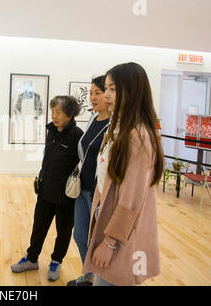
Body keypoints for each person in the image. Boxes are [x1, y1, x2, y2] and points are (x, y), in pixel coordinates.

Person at [82, 62, 164, 286]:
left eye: (113, 89)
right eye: (106, 88)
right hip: (108, 219)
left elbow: (131, 199)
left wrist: (109, 242)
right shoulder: (117, 128)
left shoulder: (137, 136)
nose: (106, 94)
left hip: (121, 235)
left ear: (133, 91)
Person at [11, 96, 83, 281]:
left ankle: (56, 262)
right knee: (38, 227)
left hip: (65, 196)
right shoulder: (51, 130)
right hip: (45, 191)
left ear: (69, 114)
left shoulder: (77, 135)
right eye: (53, 112)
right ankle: (31, 259)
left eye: (58, 112)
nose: (54, 116)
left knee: (63, 231)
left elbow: (83, 163)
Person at [67, 75, 110, 286]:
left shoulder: (115, 125)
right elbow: (86, 150)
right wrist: (79, 165)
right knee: (80, 236)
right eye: (91, 93)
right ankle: (89, 275)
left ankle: (97, 280)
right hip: (81, 188)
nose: (92, 97)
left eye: (98, 93)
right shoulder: (94, 118)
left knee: (96, 242)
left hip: (97, 192)